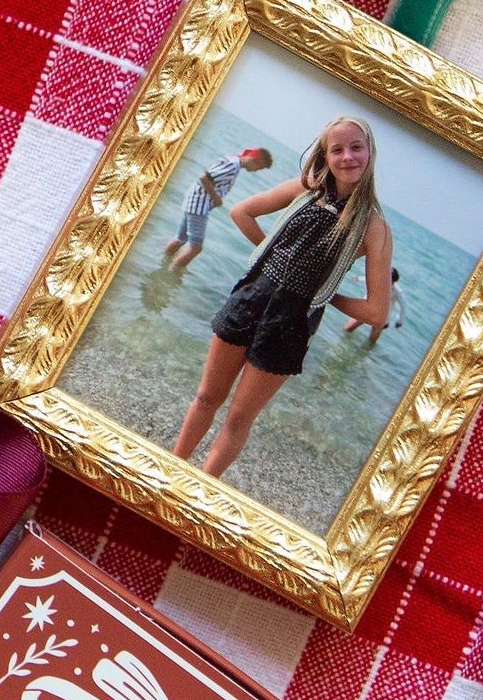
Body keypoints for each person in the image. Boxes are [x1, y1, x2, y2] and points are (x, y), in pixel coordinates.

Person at [172, 119, 391, 482]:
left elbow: (377, 312)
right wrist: (270, 256)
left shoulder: (373, 226)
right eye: (337, 149)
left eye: (356, 147)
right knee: (207, 396)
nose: (347, 156)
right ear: (326, 156)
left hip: (291, 327)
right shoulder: (305, 189)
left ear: (370, 152)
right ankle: (172, 468)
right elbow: (241, 211)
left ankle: (198, 490)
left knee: (239, 418)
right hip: (249, 299)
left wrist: (323, 292)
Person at [162, 144, 274, 273]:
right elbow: (204, 178)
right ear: (253, 160)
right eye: (258, 168)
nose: (255, 171)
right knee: (196, 247)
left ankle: (164, 263)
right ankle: (172, 273)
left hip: (195, 201)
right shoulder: (233, 165)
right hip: (199, 206)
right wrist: (217, 199)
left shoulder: (233, 159)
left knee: (180, 238)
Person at [346, 266, 403, 349]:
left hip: (382, 317)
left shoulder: (397, 292)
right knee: (347, 329)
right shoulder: (380, 279)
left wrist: (399, 321)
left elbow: (403, 306)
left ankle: (365, 357)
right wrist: (358, 278)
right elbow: (369, 278)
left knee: (371, 342)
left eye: (388, 279)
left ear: (393, 282)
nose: (384, 280)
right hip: (368, 309)